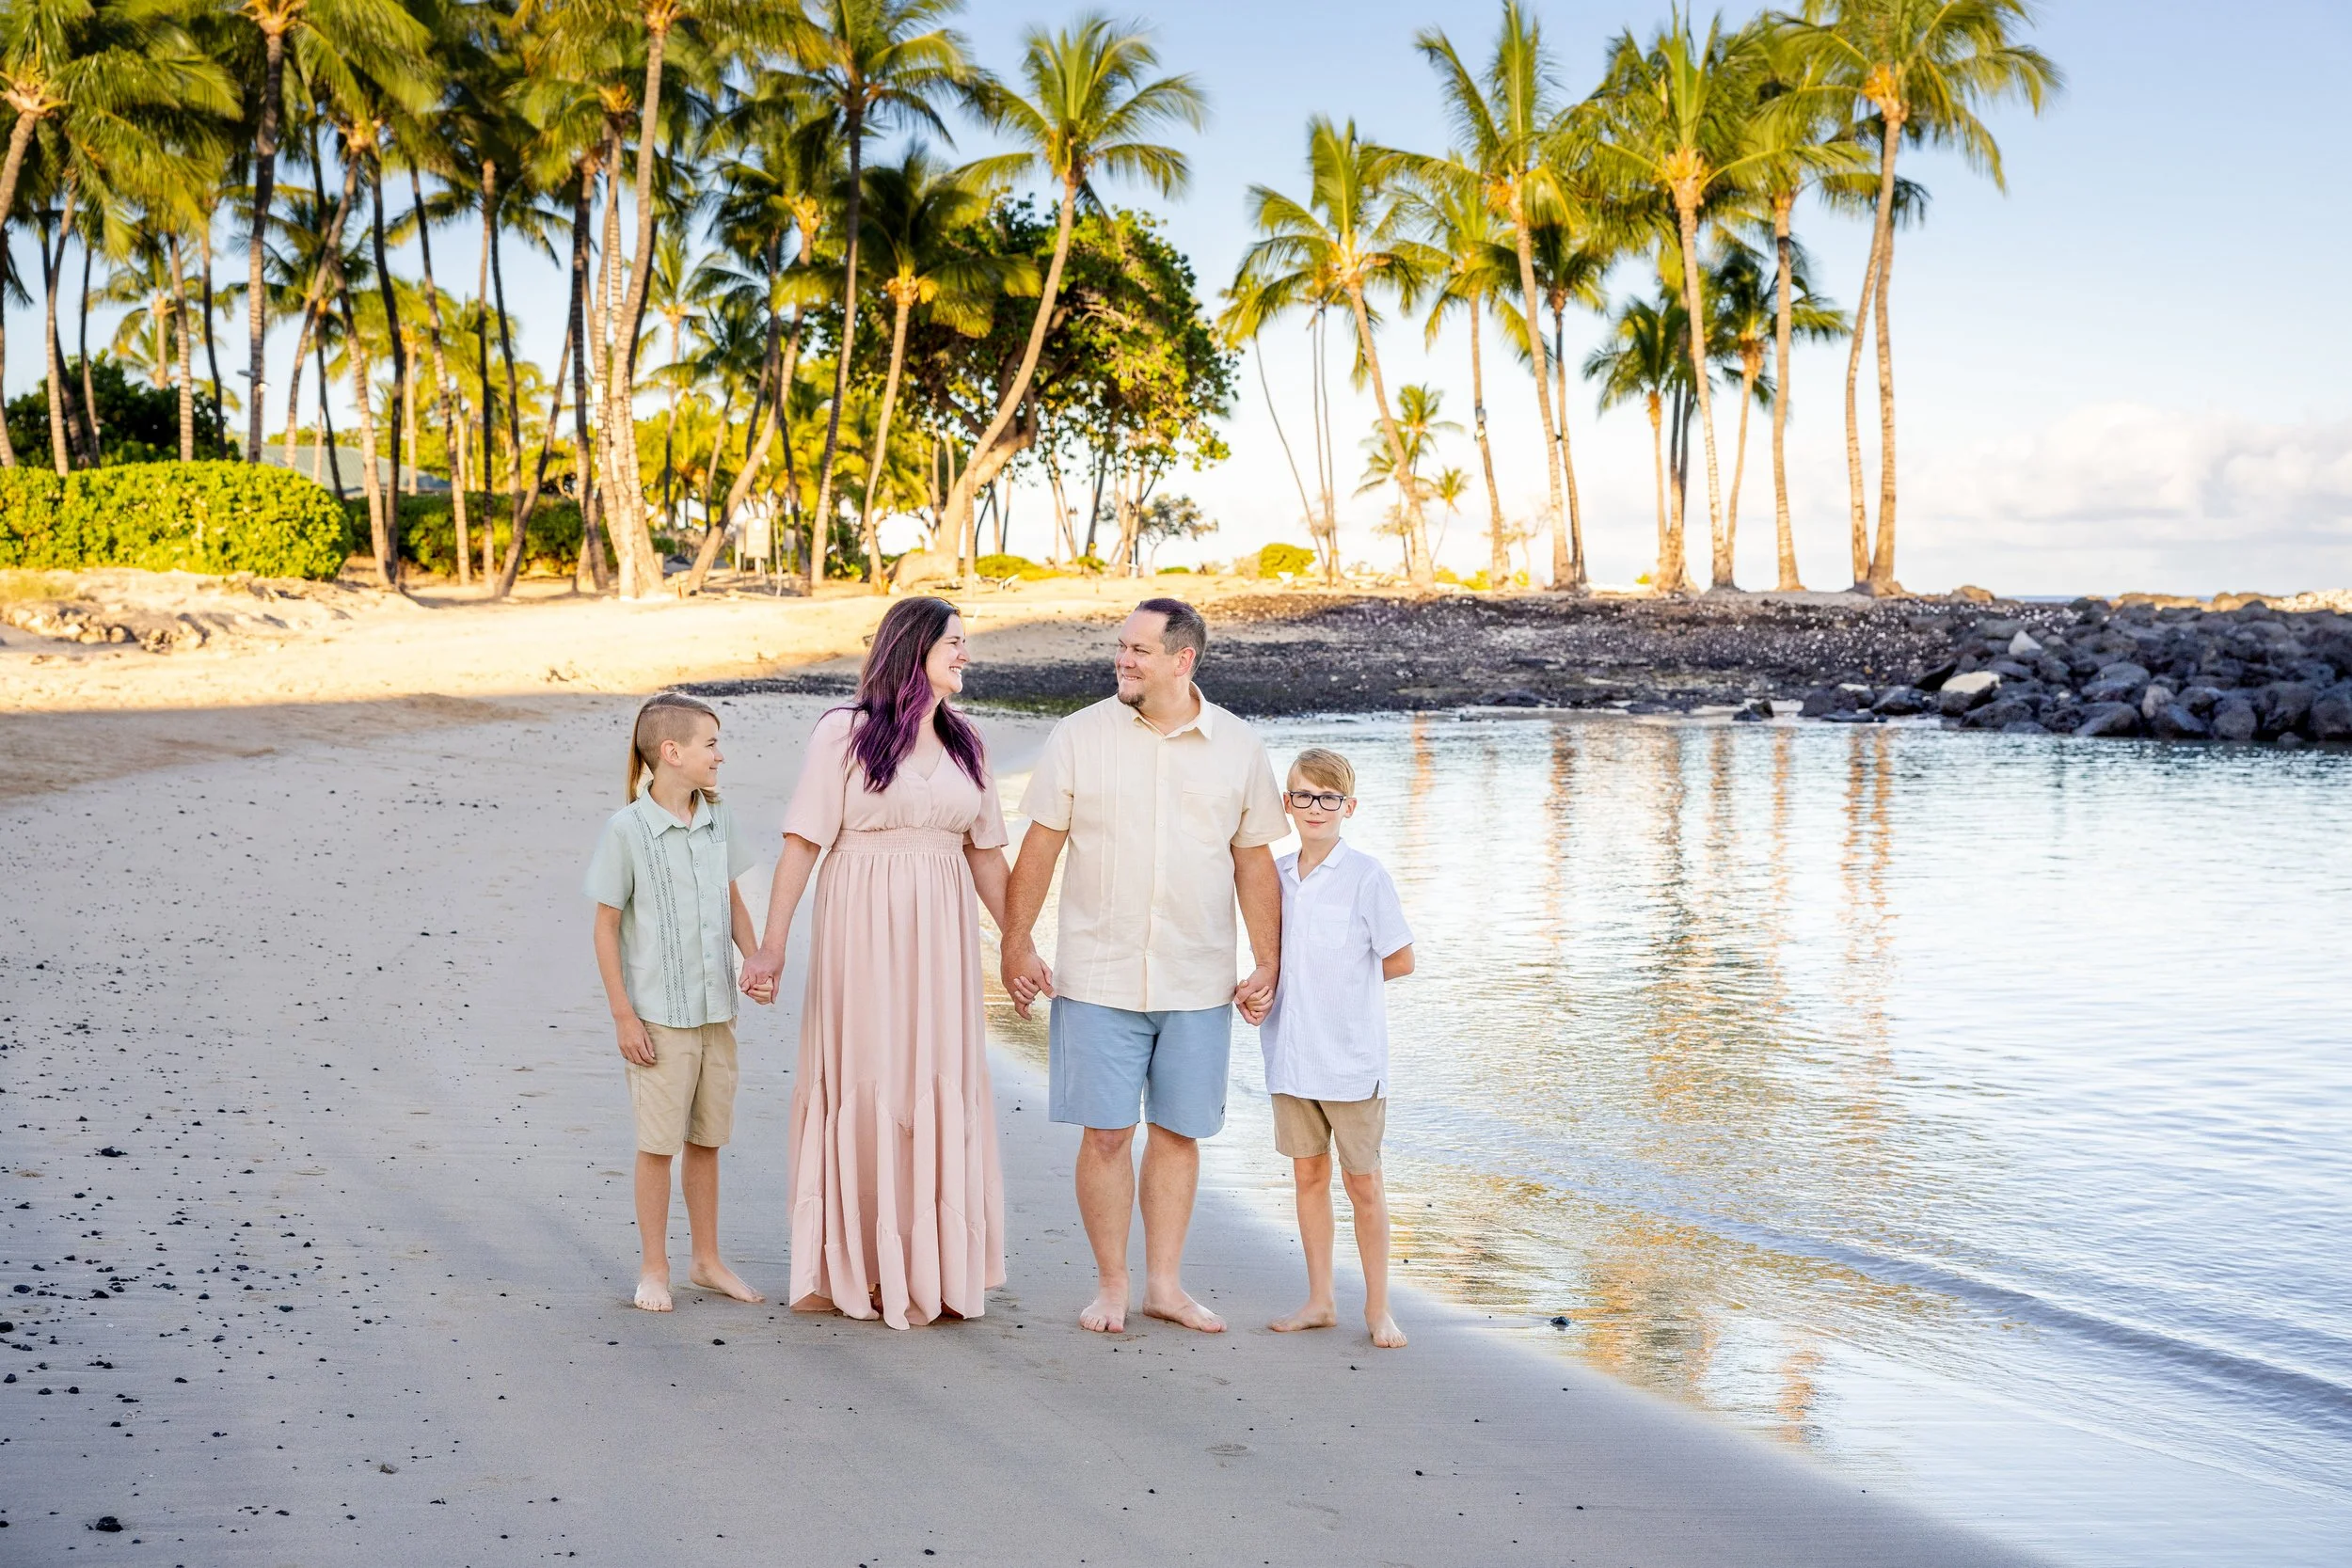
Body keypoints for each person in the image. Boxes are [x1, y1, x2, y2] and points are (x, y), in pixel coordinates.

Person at [1000, 598, 1287, 1335]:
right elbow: (1041, 845)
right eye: (1122, 647)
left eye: (1139, 650)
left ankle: (1165, 1283)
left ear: (1181, 660)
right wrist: (1016, 940)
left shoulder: (1239, 746)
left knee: (1179, 1133)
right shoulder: (1079, 736)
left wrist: (1269, 958)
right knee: (1104, 1134)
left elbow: (1253, 860)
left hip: (1198, 978)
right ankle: (1112, 1282)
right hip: (1099, 973)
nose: (1122, 660)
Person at [738, 597, 1011, 1330]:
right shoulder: (845, 734)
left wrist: (1020, 942)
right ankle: (858, 1260)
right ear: (915, 647)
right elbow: (802, 843)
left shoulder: (968, 742)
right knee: (869, 1072)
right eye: (955, 643)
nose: (965, 656)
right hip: (859, 929)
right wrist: (772, 944)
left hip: (944, 937)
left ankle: (934, 1264)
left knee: (934, 1077)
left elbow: (987, 857)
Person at [585, 692, 772, 1314]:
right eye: (711, 743)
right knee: (657, 1143)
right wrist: (623, 1014)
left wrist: (756, 956)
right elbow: (605, 925)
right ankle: (654, 1267)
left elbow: (733, 901)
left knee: (707, 1138)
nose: (720, 755)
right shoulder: (627, 830)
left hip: (717, 1012)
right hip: (658, 1019)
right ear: (672, 752)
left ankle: (707, 1258)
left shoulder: (719, 817)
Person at [1257, 747, 1414, 1350]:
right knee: (1307, 1176)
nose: (1315, 807)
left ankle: (1379, 1309)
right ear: (1287, 804)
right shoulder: (1274, 875)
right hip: (1292, 1054)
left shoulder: (1366, 876)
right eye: (1303, 796)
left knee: (1364, 1183)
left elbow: (1400, 957)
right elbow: (1270, 954)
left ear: (1348, 806)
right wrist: (1260, 986)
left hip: (1351, 1059)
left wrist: (1341, 982)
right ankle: (1320, 1301)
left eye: (1327, 798)